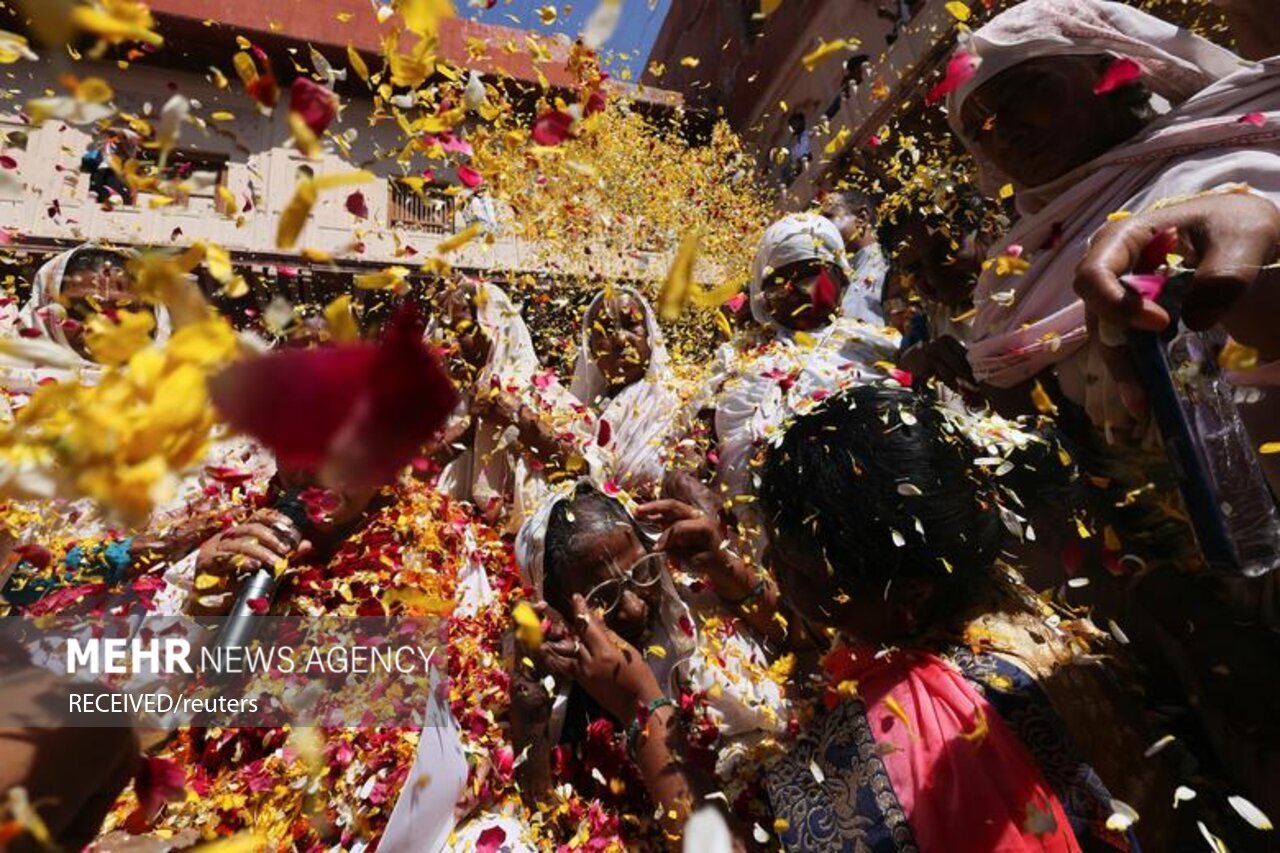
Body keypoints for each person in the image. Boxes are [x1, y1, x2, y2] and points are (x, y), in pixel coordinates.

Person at [756, 385, 1197, 852]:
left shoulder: (914, 726)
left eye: (795, 567)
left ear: (908, 591)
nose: (769, 566)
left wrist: (664, 713)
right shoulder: (977, 577)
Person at [946, 0, 1272, 437]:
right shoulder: (1011, 271)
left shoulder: (1230, 154)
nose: (1005, 132)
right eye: (980, 127)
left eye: (1023, 93)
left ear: (1106, 69)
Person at [511, 482, 791, 842]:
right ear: (560, 615)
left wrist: (725, 566)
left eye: (641, 572)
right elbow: (547, 826)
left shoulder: (701, 602)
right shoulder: (574, 708)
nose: (634, 607)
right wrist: (530, 716)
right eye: (602, 600)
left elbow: (805, 637)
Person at [430, 278, 595, 531]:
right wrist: (468, 425)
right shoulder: (451, 403)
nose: (452, 346)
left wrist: (518, 418)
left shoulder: (540, 394)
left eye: (464, 331)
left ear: (497, 329)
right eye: (446, 333)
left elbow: (588, 470)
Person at [568, 287, 707, 498]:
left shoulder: (679, 403)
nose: (621, 339)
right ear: (591, 348)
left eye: (631, 325)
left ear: (650, 334)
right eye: (605, 329)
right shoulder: (580, 414)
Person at [820, 188, 888, 324]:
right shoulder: (839, 278)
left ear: (862, 218)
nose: (822, 230)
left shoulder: (889, 265)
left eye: (829, 219)